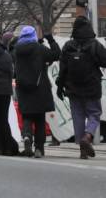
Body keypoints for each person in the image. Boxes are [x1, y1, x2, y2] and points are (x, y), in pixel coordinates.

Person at [56, 15, 106, 159]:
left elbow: (63, 69)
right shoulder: (95, 44)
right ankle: (88, 136)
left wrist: (60, 86)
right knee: (94, 114)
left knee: (77, 116)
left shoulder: (68, 46)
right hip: (91, 86)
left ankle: (81, 148)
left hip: (73, 87)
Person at [13, 26, 60, 158]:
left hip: (23, 89)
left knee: (27, 115)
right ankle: (39, 148)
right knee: (39, 118)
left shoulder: (17, 50)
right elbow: (56, 54)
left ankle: (27, 136)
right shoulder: (39, 49)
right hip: (40, 88)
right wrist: (51, 40)